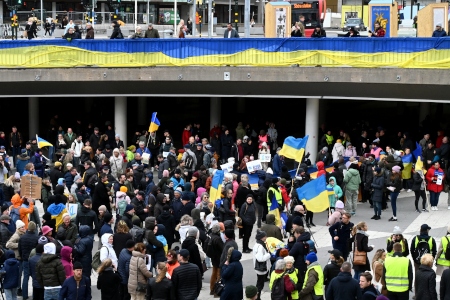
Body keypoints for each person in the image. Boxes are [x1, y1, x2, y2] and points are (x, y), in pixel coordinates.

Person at [253, 230, 271, 299]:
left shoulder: (258, 244)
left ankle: (257, 297)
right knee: (260, 284)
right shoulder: (260, 246)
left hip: (259, 268)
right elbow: (260, 258)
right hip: (261, 268)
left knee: (260, 283)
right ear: (261, 238)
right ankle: (257, 297)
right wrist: (269, 254)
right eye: (265, 236)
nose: (266, 237)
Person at [207, 224, 224, 296]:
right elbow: (222, 248)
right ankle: (217, 290)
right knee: (219, 274)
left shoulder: (210, 236)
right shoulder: (217, 238)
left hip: (213, 258)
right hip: (219, 258)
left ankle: (212, 288)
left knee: (214, 273)